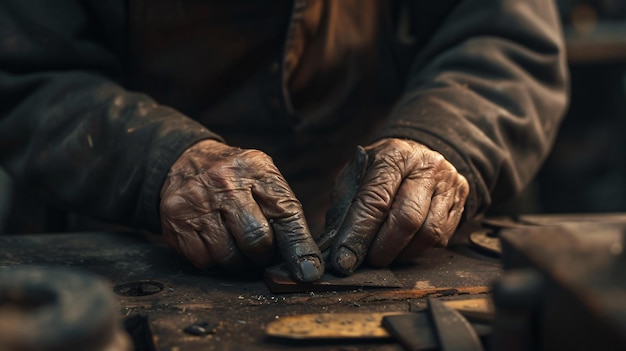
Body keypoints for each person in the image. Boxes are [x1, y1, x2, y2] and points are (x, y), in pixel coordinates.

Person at [0, 0, 568, 282]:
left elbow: (504, 38)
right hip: (127, 232)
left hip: (390, 232)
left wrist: (443, 138)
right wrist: (153, 163)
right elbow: (23, 69)